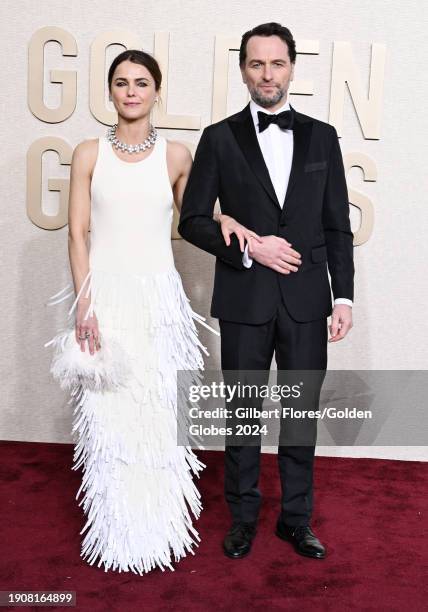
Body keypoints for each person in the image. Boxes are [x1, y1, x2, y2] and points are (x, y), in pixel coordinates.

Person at [178, 22, 354, 561]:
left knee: (301, 416)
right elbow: (192, 221)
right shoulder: (219, 136)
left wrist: (343, 297)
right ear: (243, 71)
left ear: (292, 68)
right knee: (243, 417)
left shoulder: (324, 137)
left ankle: (297, 521)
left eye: (277, 64)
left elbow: (336, 226)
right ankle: (244, 520)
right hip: (244, 298)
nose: (267, 74)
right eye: (257, 64)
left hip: (307, 302)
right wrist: (251, 248)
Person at [46, 49, 221, 574]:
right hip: (106, 301)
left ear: (156, 91)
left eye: (141, 82)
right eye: (121, 83)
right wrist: (86, 307)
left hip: (160, 304)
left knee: (159, 413)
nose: (131, 91)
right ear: (110, 92)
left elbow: (197, 221)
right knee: (111, 418)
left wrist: (235, 227)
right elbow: (78, 235)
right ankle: (115, 530)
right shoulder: (87, 154)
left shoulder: (176, 156)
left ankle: (161, 529)